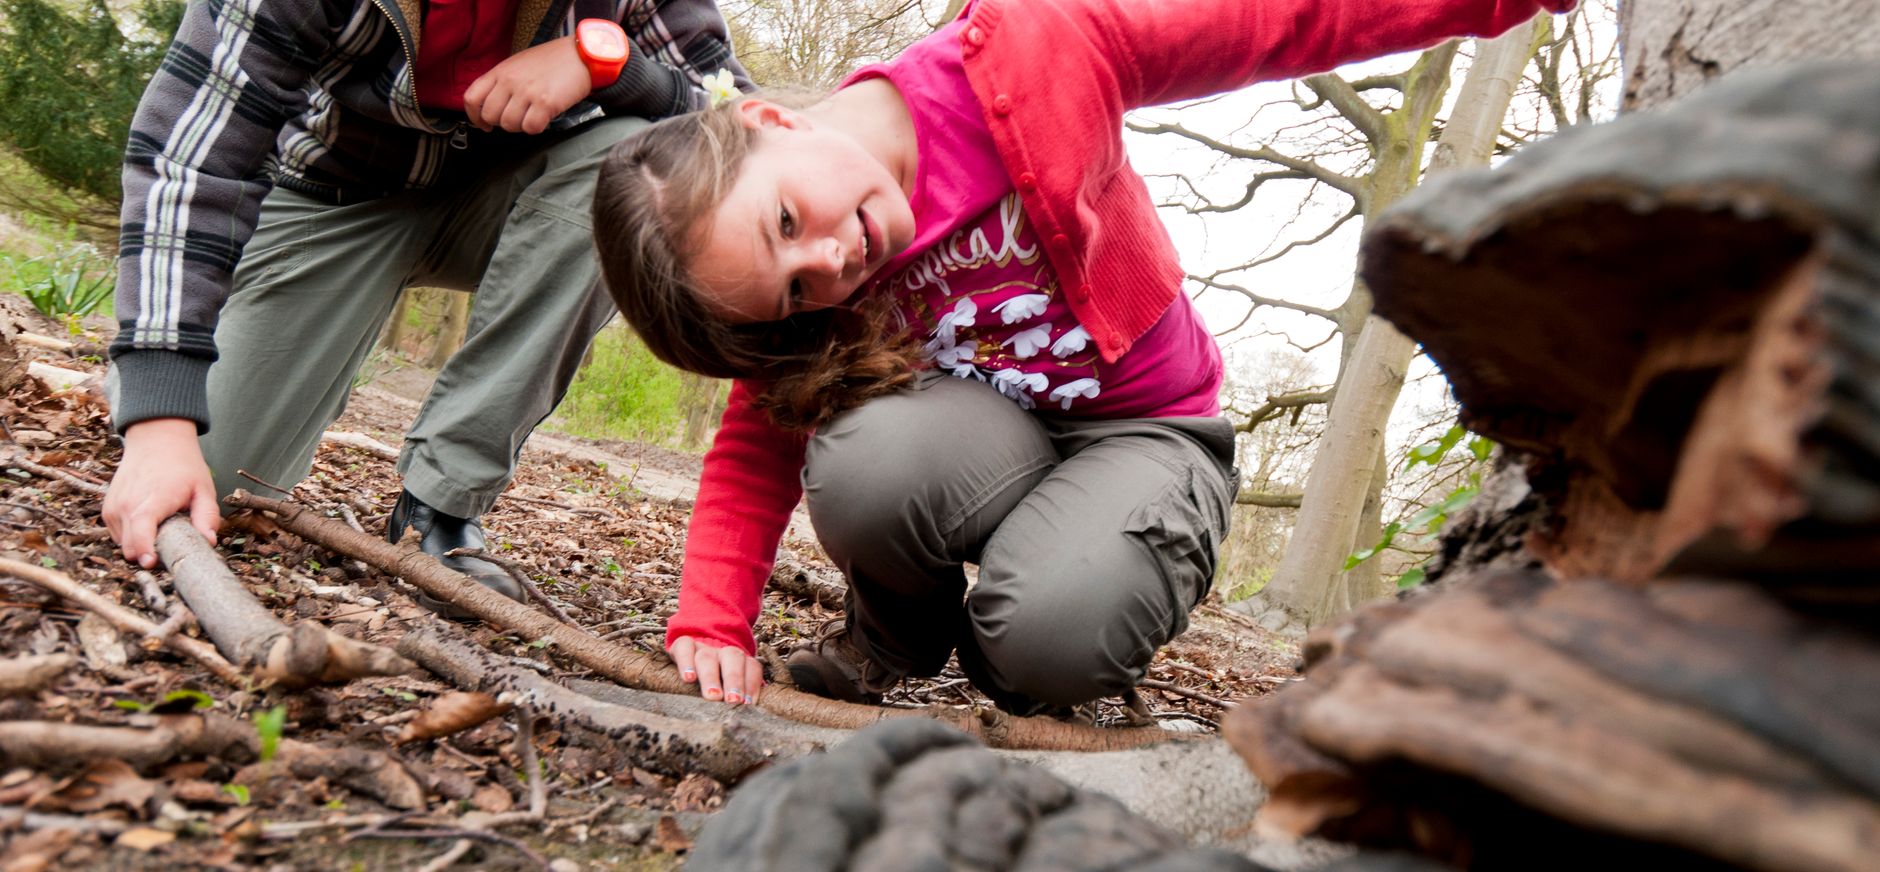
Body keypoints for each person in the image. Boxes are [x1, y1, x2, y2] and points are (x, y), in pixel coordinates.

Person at [591, 0, 1574, 714]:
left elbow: (1281, 21)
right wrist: (711, 616)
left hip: (1147, 430)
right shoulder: (823, 298)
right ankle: (894, 636)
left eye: (788, 220)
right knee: (862, 460)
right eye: (795, 290)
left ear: (767, 122)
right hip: (980, 438)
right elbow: (756, 443)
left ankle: (1039, 617)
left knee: (1045, 647)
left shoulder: (1027, 54)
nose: (830, 261)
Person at [101, 0, 748, 612]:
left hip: (520, 198)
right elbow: (190, 158)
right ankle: (162, 367)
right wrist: (161, 408)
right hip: (334, 193)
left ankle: (440, 507)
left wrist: (604, 63)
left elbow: (737, 118)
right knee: (219, 478)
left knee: (639, 166)